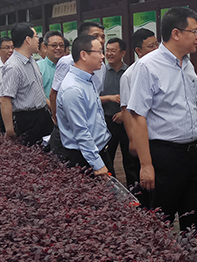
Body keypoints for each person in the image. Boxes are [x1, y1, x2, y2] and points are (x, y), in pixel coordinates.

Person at [127, 7, 197, 238]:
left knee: (194, 220)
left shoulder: (188, 63)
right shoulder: (148, 66)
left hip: (194, 152)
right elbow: (138, 116)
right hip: (165, 155)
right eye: (194, 31)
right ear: (176, 33)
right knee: (161, 221)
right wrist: (146, 164)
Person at [54, 34, 113, 173]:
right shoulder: (73, 88)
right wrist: (98, 165)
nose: (103, 56)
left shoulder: (87, 79)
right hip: (84, 158)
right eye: (99, 52)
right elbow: (81, 131)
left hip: (97, 151)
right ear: (83, 55)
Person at [0, 23, 53, 146]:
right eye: (36, 36)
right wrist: (9, 129)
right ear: (27, 40)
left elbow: (36, 90)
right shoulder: (13, 66)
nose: (38, 40)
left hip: (43, 116)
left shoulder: (31, 60)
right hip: (27, 120)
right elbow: (5, 99)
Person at [119, 29, 159, 186]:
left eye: (157, 44)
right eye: (151, 46)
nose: (156, 49)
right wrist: (132, 140)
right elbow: (127, 110)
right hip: (141, 136)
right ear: (138, 51)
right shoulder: (129, 75)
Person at [101, 38, 132, 178]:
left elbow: (137, 97)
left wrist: (123, 113)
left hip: (128, 121)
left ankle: (134, 193)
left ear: (123, 53)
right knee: (107, 158)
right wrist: (109, 98)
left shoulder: (130, 72)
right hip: (106, 121)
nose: (109, 54)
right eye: (107, 50)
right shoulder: (100, 72)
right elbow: (92, 98)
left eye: (113, 51)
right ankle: (111, 195)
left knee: (130, 159)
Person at [38, 30, 65, 106]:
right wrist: (54, 110)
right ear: (45, 47)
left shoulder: (70, 66)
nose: (58, 48)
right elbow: (38, 93)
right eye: (54, 45)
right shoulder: (38, 67)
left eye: (61, 45)